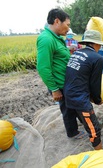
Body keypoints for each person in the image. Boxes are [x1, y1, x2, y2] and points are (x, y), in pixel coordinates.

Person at [36, 8, 83, 139]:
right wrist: (54, 89)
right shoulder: (46, 39)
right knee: (67, 109)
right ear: (57, 21)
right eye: (67, 25)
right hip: (60, 84)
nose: (68, 29)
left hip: (66, 82)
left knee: (72, 107)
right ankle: (73, 134)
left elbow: (58, 56)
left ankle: (76, 130)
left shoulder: (55, 38)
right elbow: (43, 67)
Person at [64, 30, 103, 150]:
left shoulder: (77, 53)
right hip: (79, 98)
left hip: (68, 93)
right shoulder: (97, 58)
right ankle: (100, 156)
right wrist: (97, 99)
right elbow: (95, 83)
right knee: (94, 129)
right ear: (96, 44)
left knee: (85, 120)